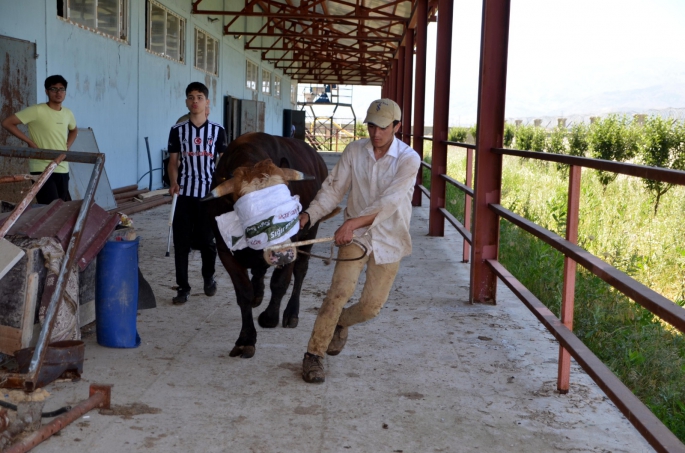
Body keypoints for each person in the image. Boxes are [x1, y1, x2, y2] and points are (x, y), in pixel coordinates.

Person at [298, 99, 421, 383]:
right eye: (370, 126)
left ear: (397, 127)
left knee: (371, 307)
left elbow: (389, 202)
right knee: (338, 291)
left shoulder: (408, 159)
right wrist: (308, 216)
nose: (375, 133)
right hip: (356, 237)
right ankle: (314, 355)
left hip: (390, 237)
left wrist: (351, 223)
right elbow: (333, 190)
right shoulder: (354, 151)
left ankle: (341, 322)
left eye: (382, 127)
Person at [167, 82, 227, 304]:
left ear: (207, 102)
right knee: (181, 242)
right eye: (191, 97)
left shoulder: (218, 131)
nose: (195, 101)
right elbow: (173, 162)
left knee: (207, 241)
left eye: (199, 97)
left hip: (208, 196)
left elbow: (224, 163)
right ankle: (183, 287)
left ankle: (208, 276)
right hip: (183, 194)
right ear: (186, 102)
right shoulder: (177, 130)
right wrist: (173, 181)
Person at [1, 75, 77, 204]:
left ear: (65, 92)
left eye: (61, 89)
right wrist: (29, 141)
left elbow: (74, 130)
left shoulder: (68, 113)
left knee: (60, 208)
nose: (58, 93)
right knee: (48, 207)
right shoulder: (37, 110)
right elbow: (7, 123)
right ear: (46, 91)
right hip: (42, 167)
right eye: (54, 89)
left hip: (63, 167)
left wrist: (67, 145)